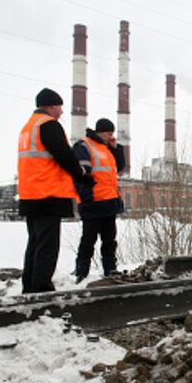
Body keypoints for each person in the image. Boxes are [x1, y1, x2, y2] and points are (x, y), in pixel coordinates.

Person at [17, 88, 92, 293]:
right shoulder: (49, 125)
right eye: (60, 107)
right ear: (51, 106)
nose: (61, 112)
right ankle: (41, 289)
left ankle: (30, 287)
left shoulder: (28, 127)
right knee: (47, 246)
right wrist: (82, 175)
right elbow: (64, 155)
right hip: (47, 194)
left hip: (30, 194)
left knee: (35, 243)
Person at [73, 118, 127, 282]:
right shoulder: (84, 146)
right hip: (93, 202)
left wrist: (116, 148)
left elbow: (120, 166)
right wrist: (86, 198)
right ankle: (81, 273)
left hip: (109, 202)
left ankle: (110, 270)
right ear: (100, 132)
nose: (111, 137)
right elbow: (80, 175)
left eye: (112, 134)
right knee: (88, 240)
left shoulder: (106, 148)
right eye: (109, 133)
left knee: (109, 240)